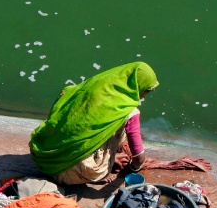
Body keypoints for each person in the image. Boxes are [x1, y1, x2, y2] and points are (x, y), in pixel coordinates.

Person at [29, 62, 159, 185]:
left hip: (44, 158)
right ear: (139, 86)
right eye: (148, 90)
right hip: (66, 172)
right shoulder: (130, 111)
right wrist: (133, 168)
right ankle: (97, 169)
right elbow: (139, 158)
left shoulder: (96, 84)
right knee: (124, 128)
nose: (146, 94)